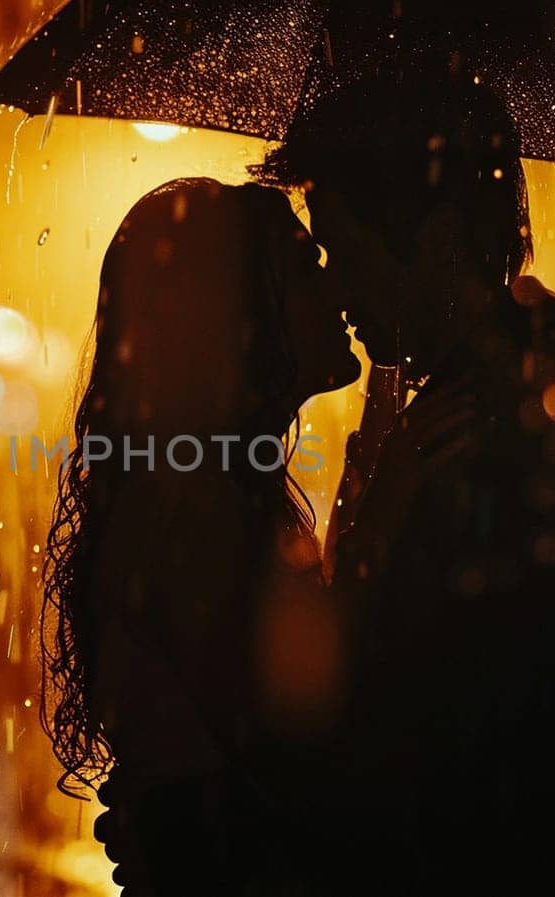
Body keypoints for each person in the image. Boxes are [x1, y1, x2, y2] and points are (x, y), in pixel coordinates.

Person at [255, 79, 555, 895]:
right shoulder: (533, 387)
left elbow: (391, 744)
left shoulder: (492, 438)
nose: (336, 288)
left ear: (437, 235)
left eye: (342, 247)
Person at [38, 177, 368, 895]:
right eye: (307, 263)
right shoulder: (197, 510)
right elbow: (296, 765)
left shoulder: (206, 489)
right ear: (242, 313)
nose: (336, 284)